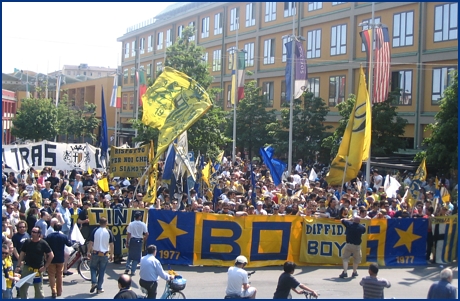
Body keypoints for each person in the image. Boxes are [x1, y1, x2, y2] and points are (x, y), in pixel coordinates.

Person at [15, 226, 54, 299]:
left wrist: (45, 267)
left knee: (38, 289)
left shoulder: (43, 243)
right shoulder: (27, 242)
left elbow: (51, 255)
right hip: (27, 268)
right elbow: (22, 253)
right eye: (32, 232)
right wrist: (18, 265)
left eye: (34, 232)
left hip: (38, 270)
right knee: (23, 286)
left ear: (39, 234)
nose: (32, 233)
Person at [87, 217, 115, 294]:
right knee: (102, 271)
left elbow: (91, 242)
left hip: (95, 253)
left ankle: (94, 282)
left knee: (93, 268)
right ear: (106, 223)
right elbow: (112, 244)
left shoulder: (95, 230)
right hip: (105, 254)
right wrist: (112, 254)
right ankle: (99, 288)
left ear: (99, 223)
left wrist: (88, 252)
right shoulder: (108, 231)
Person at [45, 223, 73, 298]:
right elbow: (69, 244)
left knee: (51, 275)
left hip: (51, 258)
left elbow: (45, 245)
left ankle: (53, 290)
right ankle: (59, 291)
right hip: (60, 258)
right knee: (59, 275)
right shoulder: (63, 236)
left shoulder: (49, 236)